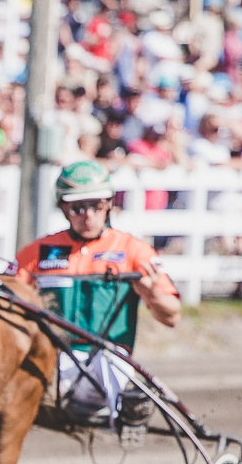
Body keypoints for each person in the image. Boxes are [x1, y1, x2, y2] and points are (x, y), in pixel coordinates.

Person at [15, 159, 181, 440]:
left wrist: (150, 293)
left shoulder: (133, 251)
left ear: (109, 205)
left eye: (97, 206)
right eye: (78, 208)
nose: (88, 215)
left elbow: (172, 316)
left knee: (110, 361)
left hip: (107, 358)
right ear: (64, 208)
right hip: (54, 356)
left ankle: (120, 413)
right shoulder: (37, 253)